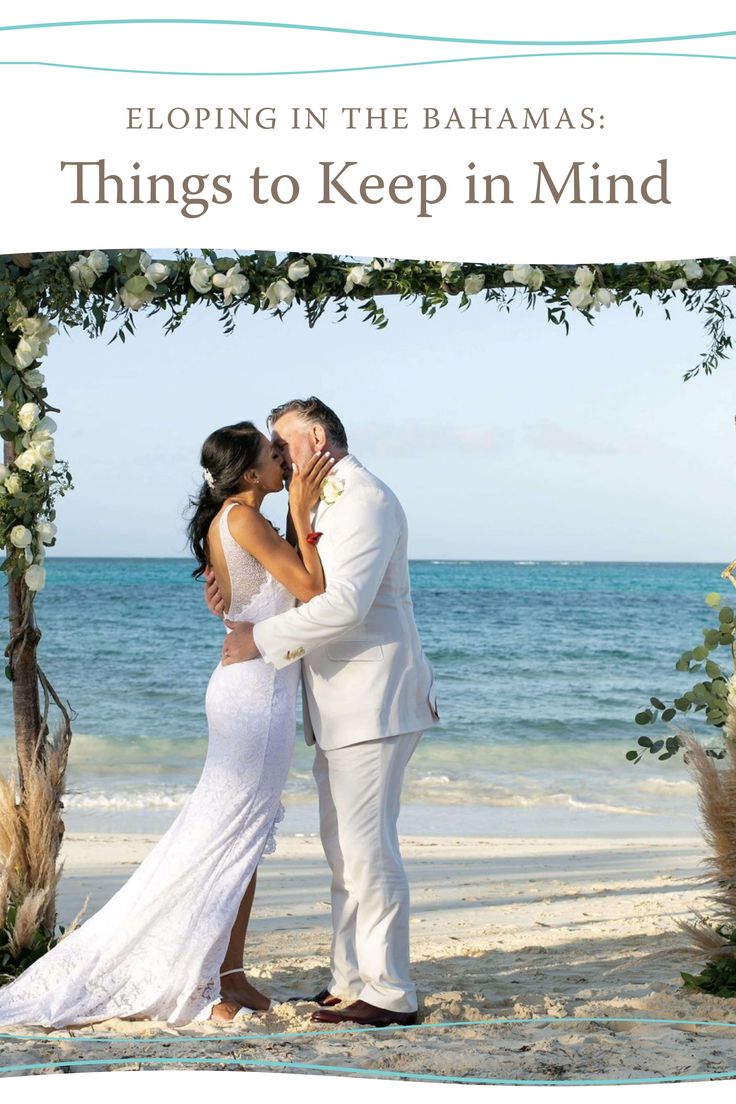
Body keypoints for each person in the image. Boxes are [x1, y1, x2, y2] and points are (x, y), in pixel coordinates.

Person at [0, 421, 334, 1028]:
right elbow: (312, 588)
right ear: (251, 474)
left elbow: (258, 595)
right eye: (272, 454)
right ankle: (214, 979)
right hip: (254, 698)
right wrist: (307, 511)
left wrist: (292, 526)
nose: (284, 460)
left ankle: (230, 973)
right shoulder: (242, 519)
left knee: (244, 837)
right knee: (230, 837)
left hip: (250, 689)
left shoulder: (230, 520)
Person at [209, 397, 439, 1028]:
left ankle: (391, 993)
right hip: (339, 704)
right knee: (343, 851)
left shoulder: (364, 499)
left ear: (315, 438)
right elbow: (295, 579)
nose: (278, 457)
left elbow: (344, 607)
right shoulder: (316, 500)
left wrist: (258, 640)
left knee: (369, 851)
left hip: (375, 699)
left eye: (283, 444)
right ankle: (347, 980)